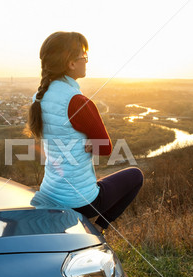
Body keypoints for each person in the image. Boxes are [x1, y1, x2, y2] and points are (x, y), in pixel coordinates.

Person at [26, 31, 143, 234]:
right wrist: (90, 138)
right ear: (71, 63)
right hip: (80, 201)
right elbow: (106, 148)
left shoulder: (39, 97)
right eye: (84, 56)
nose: (86, 61)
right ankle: (99, 228)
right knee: (136, 175)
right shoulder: (78, 101)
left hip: (50, 193)